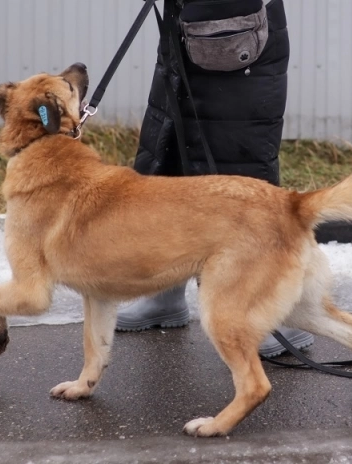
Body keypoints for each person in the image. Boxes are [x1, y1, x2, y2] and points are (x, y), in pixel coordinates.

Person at [115, 0, 314, 358]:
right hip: (186, 24)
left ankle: (269, 312)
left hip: (245, 30)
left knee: (241, 176)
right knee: (169, 159)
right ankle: (166, 292)